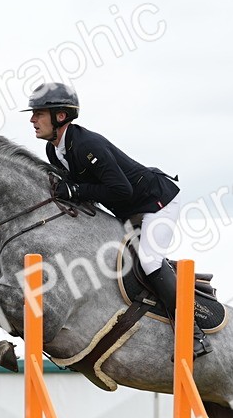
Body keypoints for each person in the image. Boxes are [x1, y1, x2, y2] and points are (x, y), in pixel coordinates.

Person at [24, 82, 209, 357]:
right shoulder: (55, 150)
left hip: (157, 203)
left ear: (60, 116)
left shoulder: (87, 144)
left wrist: (76, 190)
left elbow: (122, 189)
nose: (32, 119)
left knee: (149, 260)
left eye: (38, 113)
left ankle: (193, 332)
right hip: (128, 210)